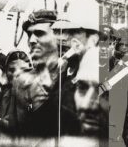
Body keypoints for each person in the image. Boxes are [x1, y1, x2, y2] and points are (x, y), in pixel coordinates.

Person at [8, 9, 80, 137]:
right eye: (29, 35)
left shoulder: (75, 77)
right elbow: (15, 133)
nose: (31, 40)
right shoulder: (21, 82)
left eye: (39, 33)